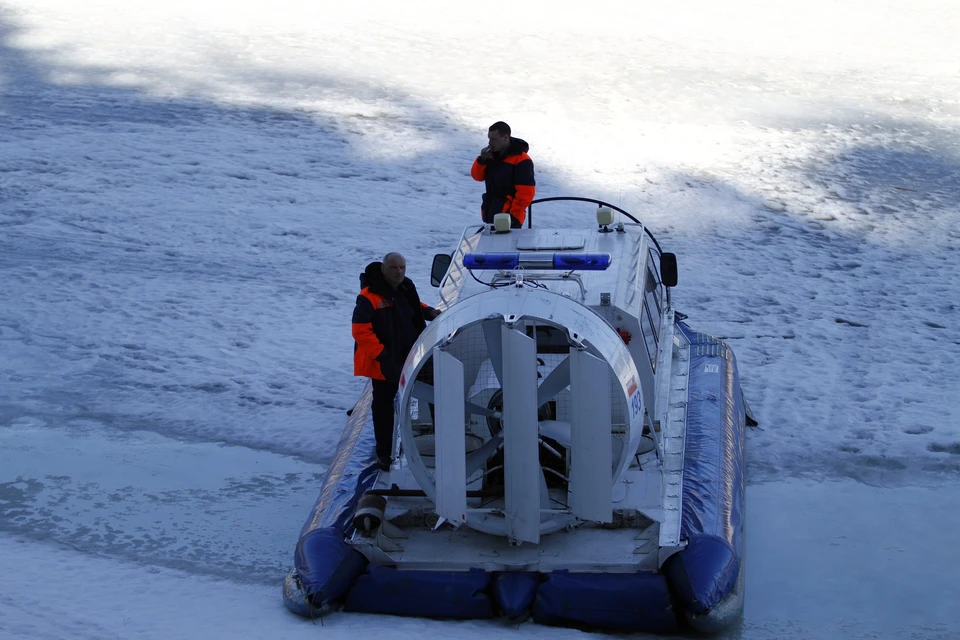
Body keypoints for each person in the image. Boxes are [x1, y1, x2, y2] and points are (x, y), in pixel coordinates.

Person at [352, 252, 440, 471]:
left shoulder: (405, 286)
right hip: (385, 361)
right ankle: (384, 452)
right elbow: (361, 331)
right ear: (384, 269)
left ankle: (442, 438)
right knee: (383, 406)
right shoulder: (368, 296)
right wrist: (382, 356)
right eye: (394, 268)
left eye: (403, 267)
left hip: (412, 353)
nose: (399, 272)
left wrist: (429, 311)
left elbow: (412, 305)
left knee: (435, 389)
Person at [470, 121, 536, 228]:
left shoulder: (521, 160)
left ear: (506, 137)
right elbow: (477, 177)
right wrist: (482, 160)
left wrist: (513, 217)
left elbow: (526, 193)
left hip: (509, 218)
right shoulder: (490, 156)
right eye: (489, 139)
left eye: (494, 139)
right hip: (492, 212)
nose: (490, 143)